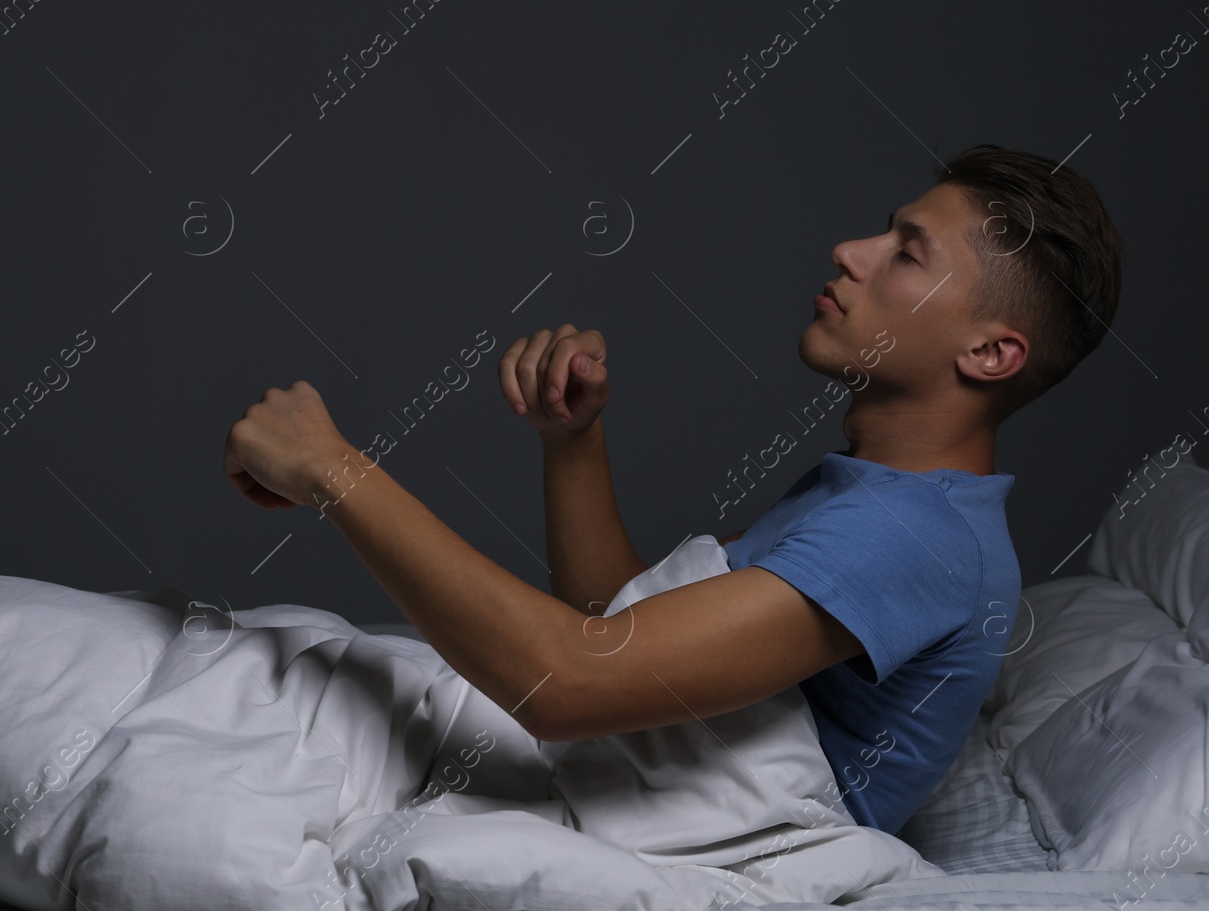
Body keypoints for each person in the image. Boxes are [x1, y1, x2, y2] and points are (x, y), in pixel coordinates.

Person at [222, 143, 1123, 836]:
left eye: (908, 254)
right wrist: (574, 442)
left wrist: (332, 470)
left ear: (991, 352)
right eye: (883, 231)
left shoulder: (916, 534)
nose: (851, 251)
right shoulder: (882, 500)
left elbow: (573, 683)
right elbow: (631, 648)